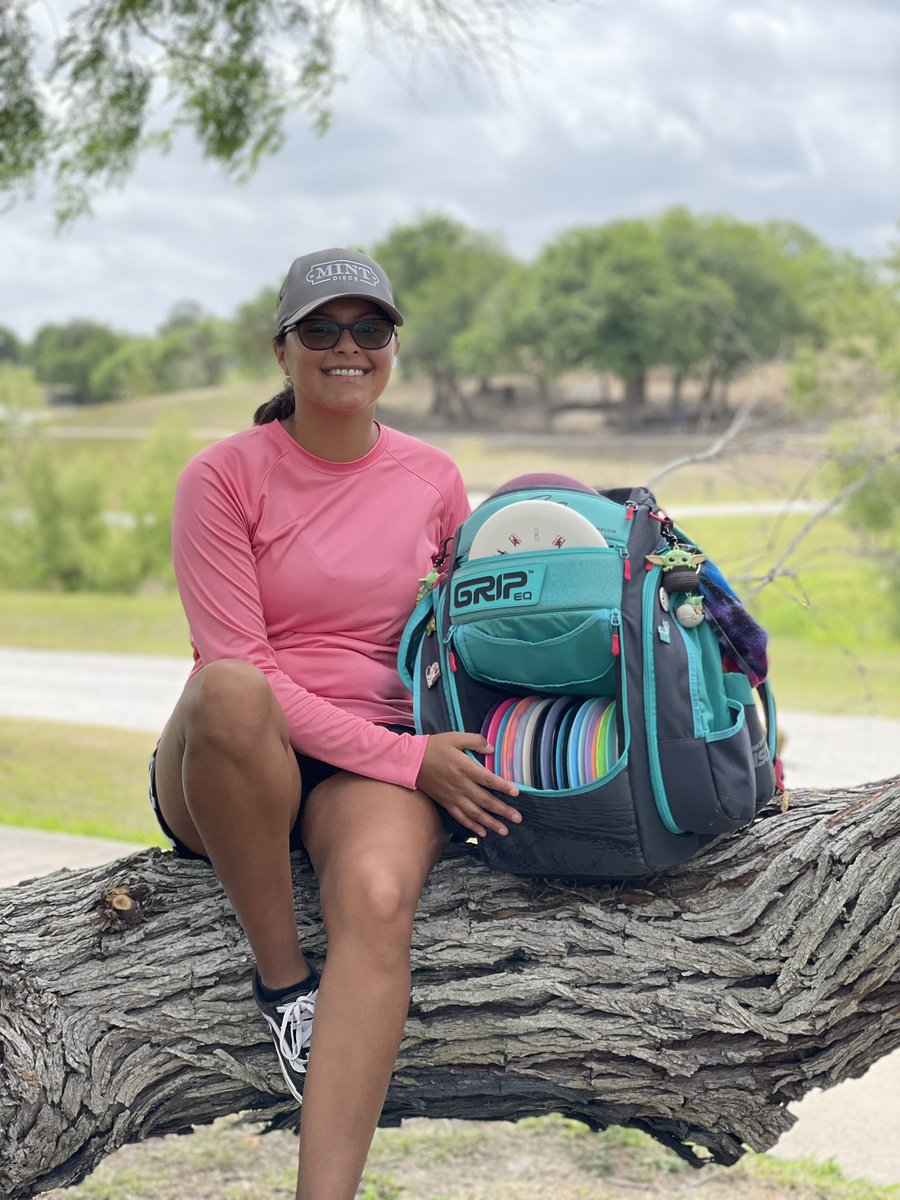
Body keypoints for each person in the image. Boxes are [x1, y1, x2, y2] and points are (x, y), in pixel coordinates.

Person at [149, 247, 522, 1200]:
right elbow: (247, 667)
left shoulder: (434, 477)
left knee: (379, 898)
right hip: (235, 766)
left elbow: (461, 635)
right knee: (231, 686)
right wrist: (408, 759)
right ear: (283, 349)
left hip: (375, 760)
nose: (345, 347)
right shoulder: (222, 477)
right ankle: (284, 987)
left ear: (392, 348)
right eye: (321, 329)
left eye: (369, 330)